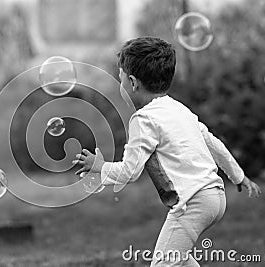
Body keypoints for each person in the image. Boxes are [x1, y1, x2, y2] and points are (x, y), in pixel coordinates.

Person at [72, 37, 262, 266]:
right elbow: (213, 143)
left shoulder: (143, 120)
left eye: (119, 77)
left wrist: (100, 166)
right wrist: (238, 176)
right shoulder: (179, 109)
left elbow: (130, 172)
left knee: (163, 264)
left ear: (132, 83)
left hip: (193, 203)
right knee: (180, 260)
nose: (119, 83)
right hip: (215, 197)